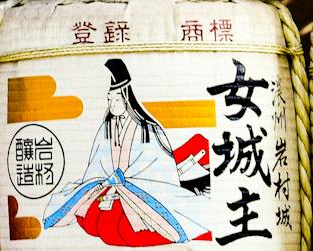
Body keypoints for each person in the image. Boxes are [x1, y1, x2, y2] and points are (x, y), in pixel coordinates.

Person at [43, 59, 212, 246]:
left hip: (139, 190)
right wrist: (103, 181)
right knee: (89, 218)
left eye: (116, 99)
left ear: (126, 98)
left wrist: (123, 180)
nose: (112, 104)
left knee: (123, 228)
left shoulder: (148, 129)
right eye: (109, 99)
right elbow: (97, 163)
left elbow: (154, 166)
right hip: (110, 187)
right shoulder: (106, 128)